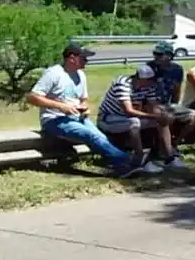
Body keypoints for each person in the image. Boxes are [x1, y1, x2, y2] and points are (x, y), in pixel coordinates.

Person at [27, 43, 142, 176]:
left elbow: (83, 99)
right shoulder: (53, 73)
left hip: (77, 117)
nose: (87, 61)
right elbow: (32, 97)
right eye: (84, 58)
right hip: (54, 119)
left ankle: (119, 164)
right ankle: (126, 163)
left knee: (100, 136)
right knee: (89, 134)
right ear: (72, 58)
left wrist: (84, 107)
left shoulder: (81, 75)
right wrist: (61, 106)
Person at [96, 64, 177, 173]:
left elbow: (153, 105)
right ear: (143, 79)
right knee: (134, 122)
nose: (153, 83)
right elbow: (128, 111)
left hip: (126, 119)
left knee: (160, 121)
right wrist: (153, 116)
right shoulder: (122, 84)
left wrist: (162, 115)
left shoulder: (149, 86)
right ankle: (139, 159)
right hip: (108, 119)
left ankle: (169, 157)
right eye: (151, 80)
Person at [147, 41, 195, 149]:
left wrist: (175, 106)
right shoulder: (149, 67)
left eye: (159, 54)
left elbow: (177, 90)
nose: (156, 57)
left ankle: (175, 143)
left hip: (167, 104)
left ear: (169, 56)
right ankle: (163, 148)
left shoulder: (177, 69)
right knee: (168, 117)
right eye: (155, 54)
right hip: (152, 104)